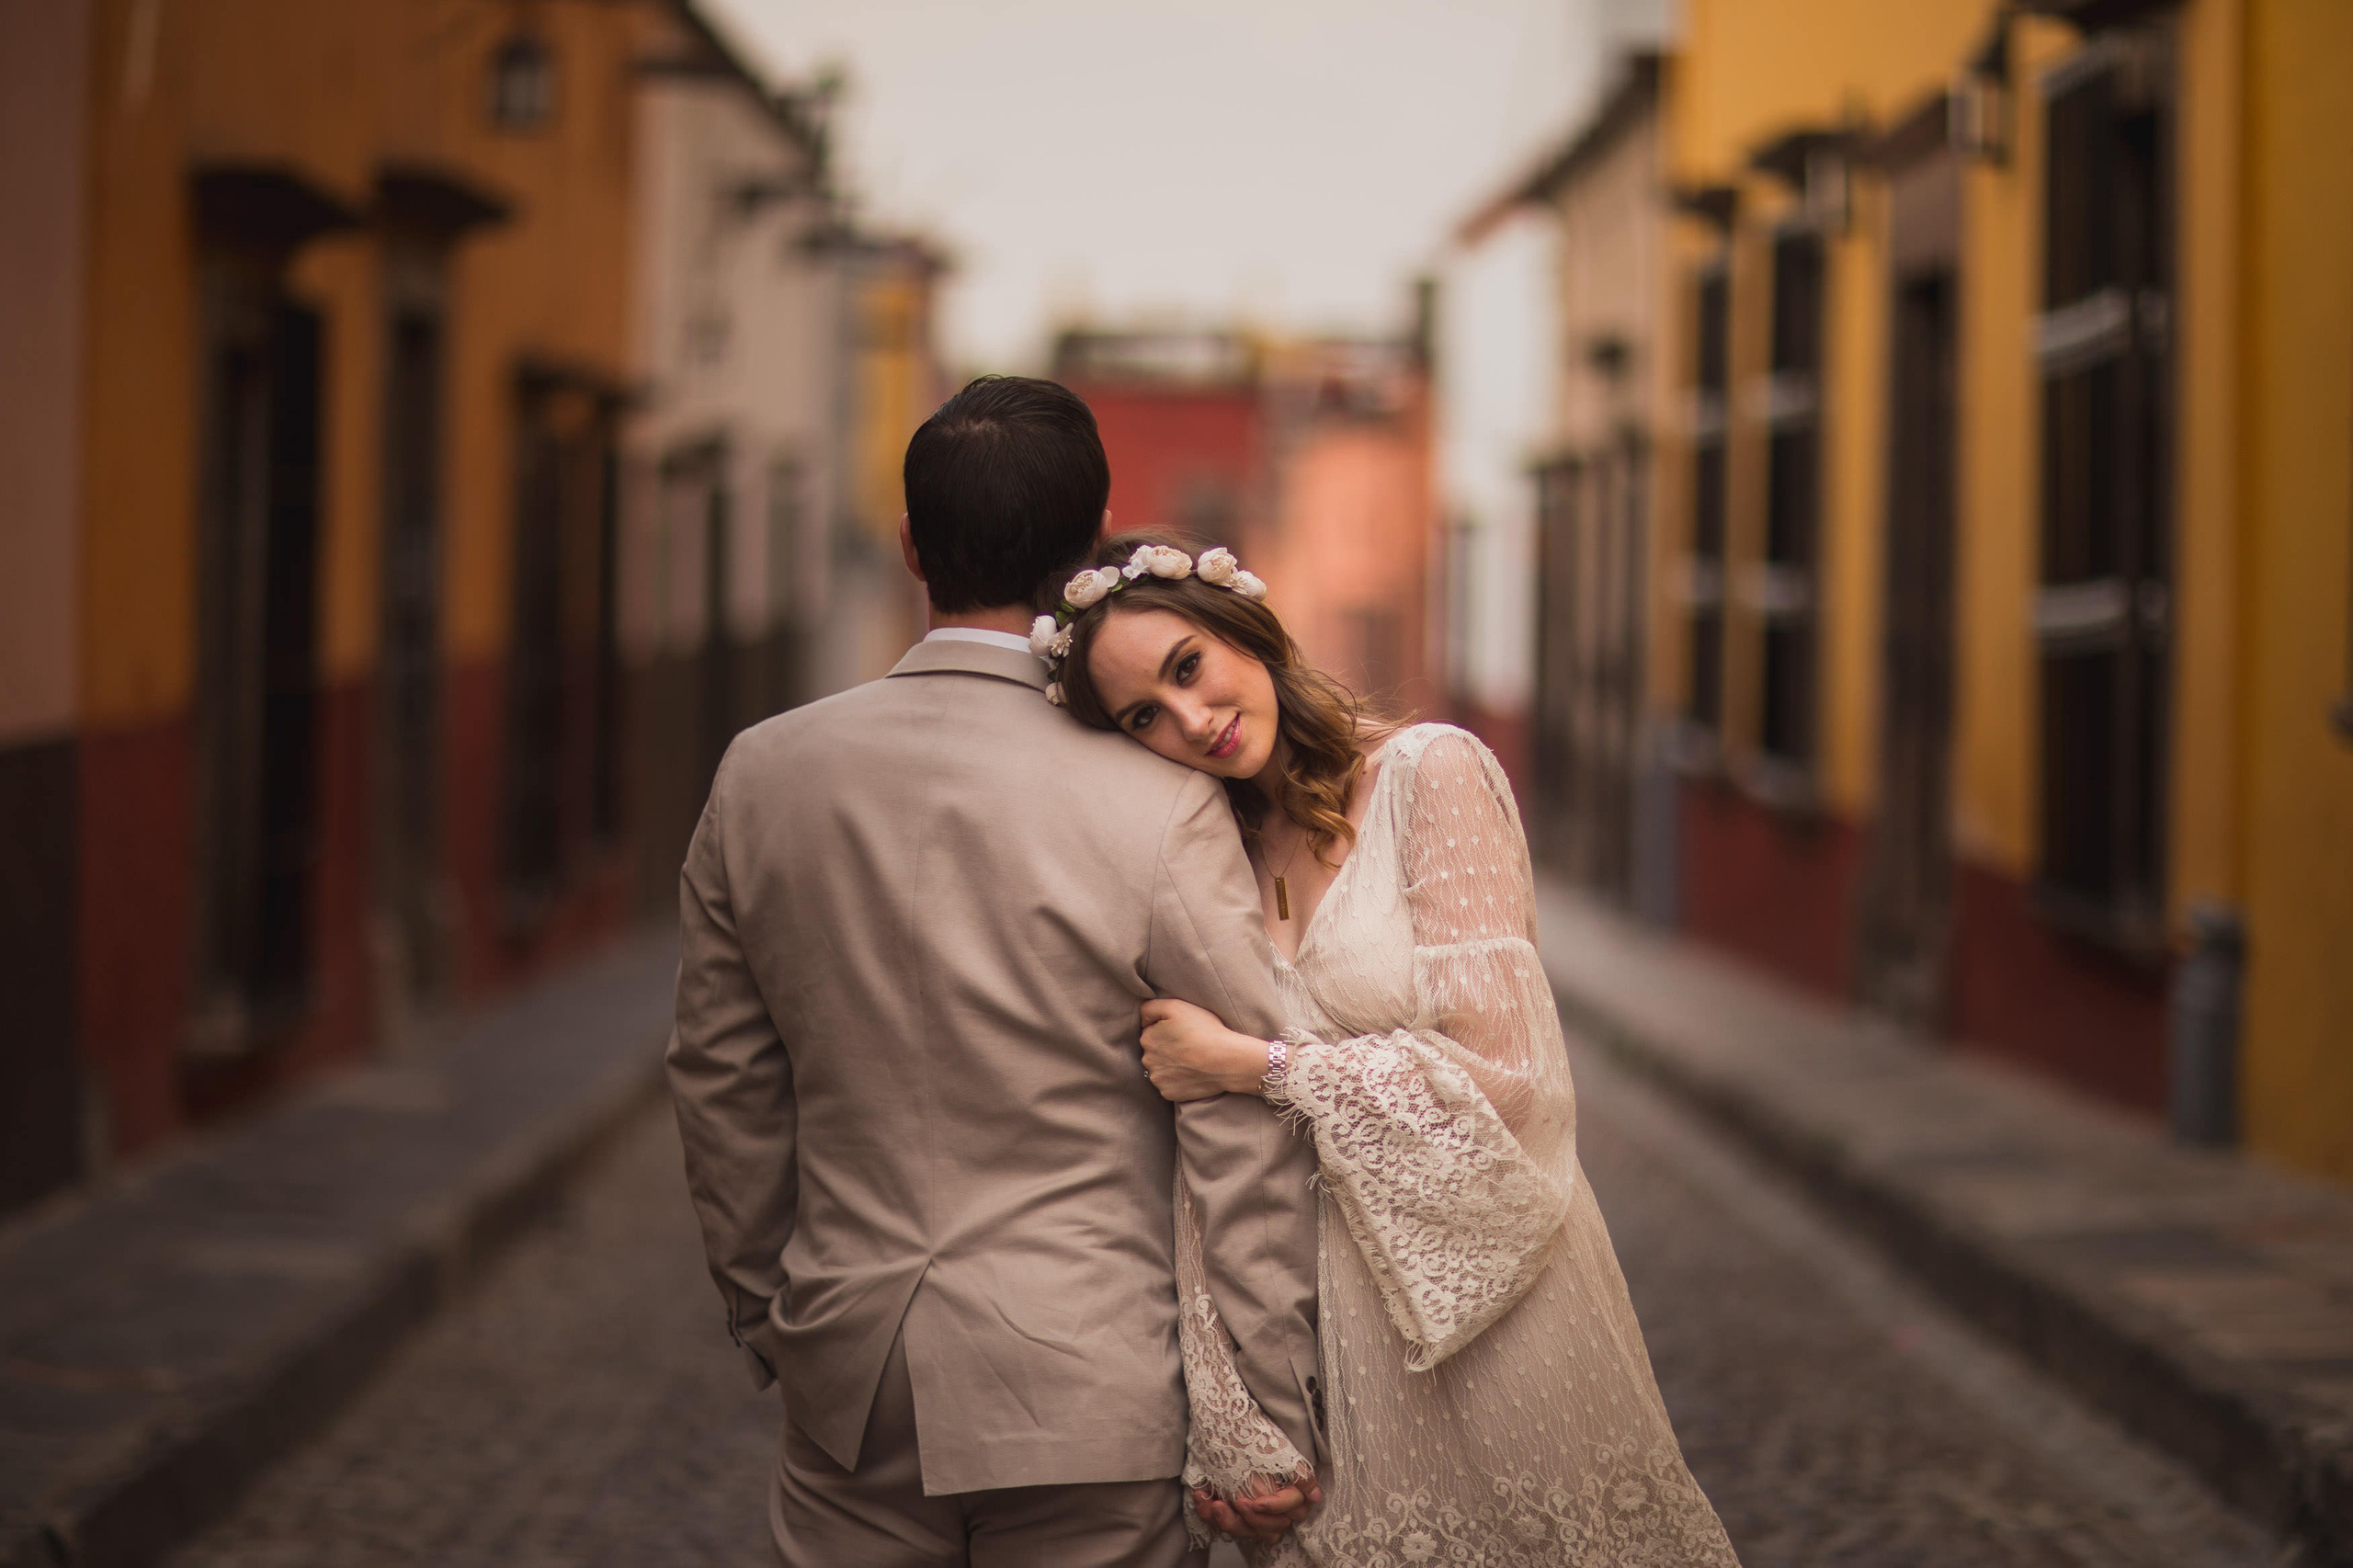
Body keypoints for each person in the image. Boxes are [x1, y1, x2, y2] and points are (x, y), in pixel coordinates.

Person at [665, 379, 1322, 1567]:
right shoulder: (1165, 799)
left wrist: (774, 1312)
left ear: (911, 544)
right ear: (1093, 541)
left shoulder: (761, 773)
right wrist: (1268, 1403)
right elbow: (1237, 1114)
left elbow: (721, 1078)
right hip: (1096, 1380)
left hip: (850, 1377)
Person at [1051, 534, 1744, 1567]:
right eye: (1142, 715)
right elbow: (1200, 1170)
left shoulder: (1431, 776)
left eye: (1187, 666)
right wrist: (1235, 1408)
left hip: (1498, 1314)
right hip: (1322, 1343)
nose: (1188, 720)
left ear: (1247, 629)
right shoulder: (1203, 861)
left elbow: (1506, 1080)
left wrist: (1261, 1065)